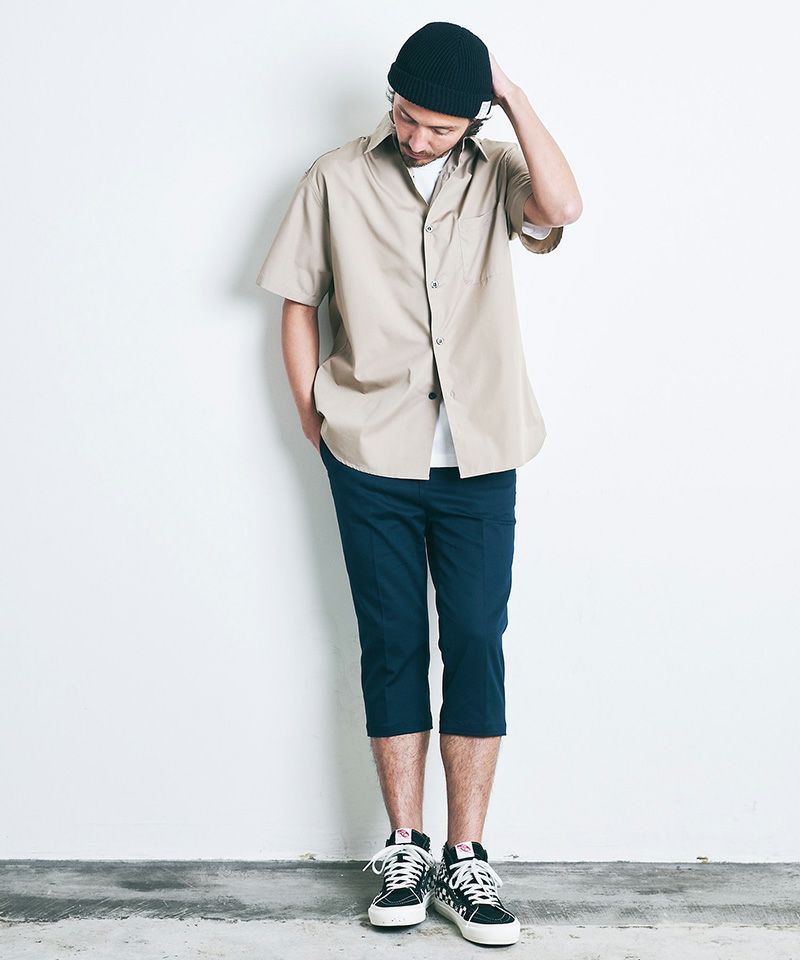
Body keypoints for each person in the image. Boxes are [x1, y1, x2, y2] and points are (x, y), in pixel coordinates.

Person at [255, 20, 581, 947]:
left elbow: (564, 207)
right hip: (371, 457)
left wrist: (511, 95)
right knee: (393, 645)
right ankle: (407, 847)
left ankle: (468, 858)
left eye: (441, 127)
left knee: (475, 640)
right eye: (407, 116)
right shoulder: (334, 176)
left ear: (475, 120)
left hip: (480, 455)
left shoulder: (498, 171)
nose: (419, 137)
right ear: (391, 98)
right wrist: (314, 416)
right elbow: (298, 302)